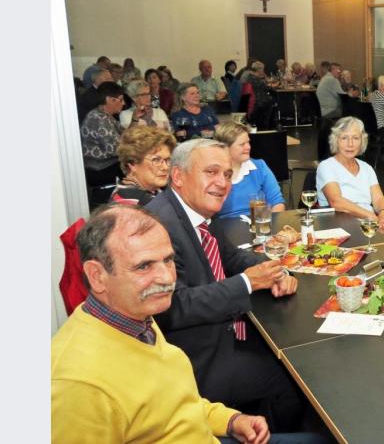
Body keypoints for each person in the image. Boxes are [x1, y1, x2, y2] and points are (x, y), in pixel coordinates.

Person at [52, 204, 273, 444]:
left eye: (168, 260)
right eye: (144, 266)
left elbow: (172, 404)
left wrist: (228, 420)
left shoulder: (136, 317)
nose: (167, 278)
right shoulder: (78, 385)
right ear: (97, 276)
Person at [144, 139, 305, 432]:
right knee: (294, 381)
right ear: (178, 177)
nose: (222, 183)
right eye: (211, 172)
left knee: (290, 351)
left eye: (227, 175)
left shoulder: (195, 212)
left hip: (218, 334)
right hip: (195, 360)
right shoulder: (160, 226)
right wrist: (247, 283)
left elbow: (230, 256)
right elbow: (174, 306)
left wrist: (272, 270)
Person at [316, 117, 384, 253]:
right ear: (336, 140)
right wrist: (372, 217)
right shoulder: (327, 166)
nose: (350, 144)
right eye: (344, 138)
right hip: (343, 229)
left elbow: (378, 199)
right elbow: (337, 202)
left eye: (355, 138)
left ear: (362, 141)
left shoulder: (366, 168)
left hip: (370, 226)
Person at [215, 121, 286, 218]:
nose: (248, 147)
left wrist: (268, 226)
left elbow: (277, 202)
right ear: (225, 147)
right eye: (242, 144)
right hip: (223, 228)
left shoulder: (259, 167)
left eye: (248, 142)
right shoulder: (213, 173)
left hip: (259, 223)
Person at [110, 126, 177, 206]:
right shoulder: (131, 200)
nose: (165, 167)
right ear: (133, 163)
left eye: (168, 160)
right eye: (156, 160)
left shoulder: (151, 191)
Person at [81, 81, 126, 185]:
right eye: (121, 99)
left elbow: (125, 135)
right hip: (100, 169)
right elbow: (115, 149)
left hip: (105, 165)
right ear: (109, 100)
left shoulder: (104, 115)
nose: (123, 103)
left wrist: (135, 120)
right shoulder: (100, 118)